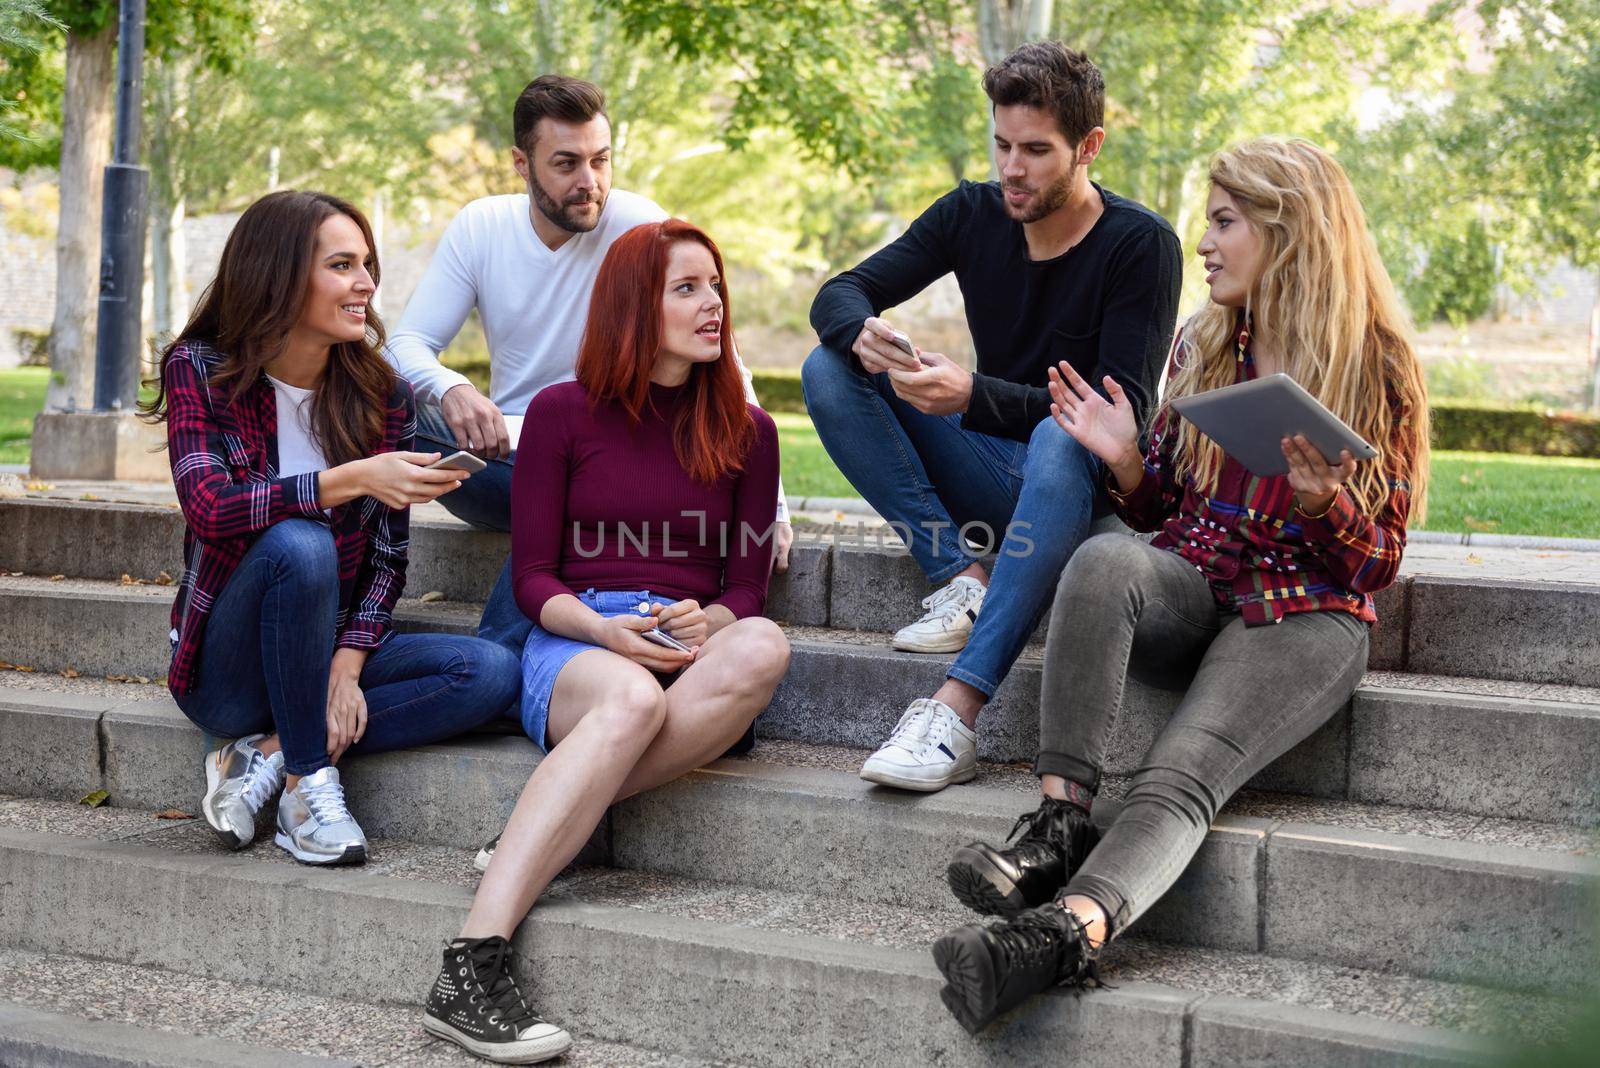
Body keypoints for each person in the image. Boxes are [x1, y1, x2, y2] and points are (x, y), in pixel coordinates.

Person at [930, 138, 1433, 1032]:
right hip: (1198, 582)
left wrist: (1326, 505)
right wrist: (1124, 455)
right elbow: (1159, 503)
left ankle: (1053, 940)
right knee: (1102, 557)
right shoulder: (1204, 342)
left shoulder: (1376, 361)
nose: (1203, 243)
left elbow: (1377, 559)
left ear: (1290, 232)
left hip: (1305, 615)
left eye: (1224, 223)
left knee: (1178, 774)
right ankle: (1055, 827)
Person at [420, 219, 789, 1064]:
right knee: (626, 697)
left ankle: (539, 822)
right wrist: (601, 629)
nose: (713, 306)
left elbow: (744, 587)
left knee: (765, 643)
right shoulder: (559, 414)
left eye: (716, 286)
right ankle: (471, 965)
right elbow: (534, 579)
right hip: (580, 640)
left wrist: (712, 622)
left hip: (689, 642)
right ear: (634, 305)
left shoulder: (750, 432)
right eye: (686, 289)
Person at [802, 42, 1181, 793]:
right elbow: (839, 292)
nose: (1013, 168)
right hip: (989, 471)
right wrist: (861, 333)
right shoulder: (971, 213)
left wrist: (973, 395)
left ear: (1089, 147)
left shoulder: (1141, 246)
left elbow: (1117, 416)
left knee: (1063, 428)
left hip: (1084, 497)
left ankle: (955, 711)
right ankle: (960, 575)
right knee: (829, 365)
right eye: (1002, 145)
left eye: (1037, 150)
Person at [140, 190, 522, 866]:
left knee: (488, 671)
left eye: (367, 264)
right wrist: (350, 479)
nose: (367, 285)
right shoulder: (201, 368)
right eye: (343, 265)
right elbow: (211, 506)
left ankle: (270, 753)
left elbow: (386, 562)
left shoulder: (382, 394)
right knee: (300, 541)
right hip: (225, 672)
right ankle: (308, 787)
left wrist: (347, 667)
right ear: (280, 274)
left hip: (322, 651)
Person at [387, 74, 791, 652]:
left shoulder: (639, 225)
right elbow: (404, 344)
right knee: (391, 406)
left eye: (601, 160)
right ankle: (362, 603)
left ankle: (498, 664)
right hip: (503, 461)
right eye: (567, 163)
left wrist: (766, 502)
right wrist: (450, 386)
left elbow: (724, 357)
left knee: (575, 488)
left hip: (612, 466)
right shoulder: (482, 228)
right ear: (521, 165)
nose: (589, 182)